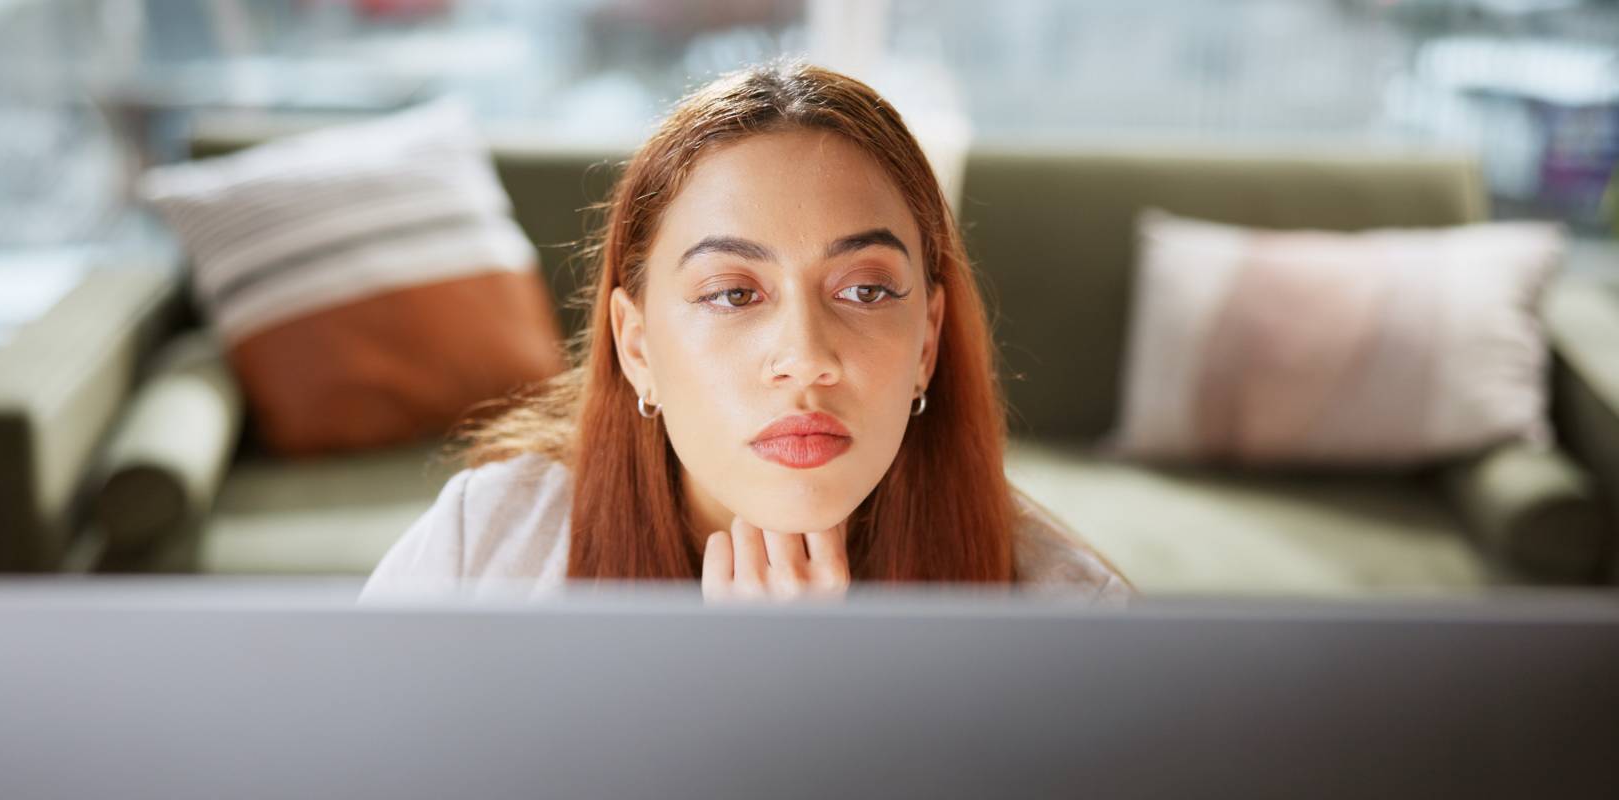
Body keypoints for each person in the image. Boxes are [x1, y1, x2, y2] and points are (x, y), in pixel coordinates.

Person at [361, 61, 1131, 604]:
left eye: (864, 289)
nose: (804, 358)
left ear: (927, 343)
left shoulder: (1070, 619)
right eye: (733, 293)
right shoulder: (486, 550)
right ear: (637, 348)